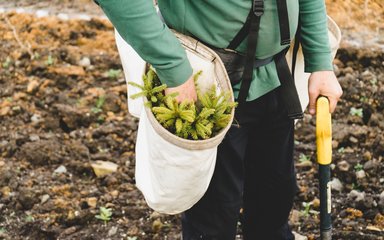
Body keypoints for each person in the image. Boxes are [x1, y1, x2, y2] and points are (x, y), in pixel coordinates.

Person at [95, 0, 343, 239]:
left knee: (274, 204)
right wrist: (172, 66)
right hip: (207, 93)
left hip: (277, 81)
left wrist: (320, 61)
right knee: (213, 219)